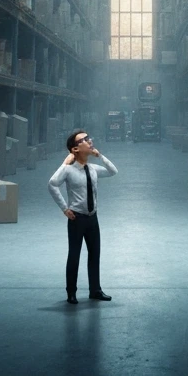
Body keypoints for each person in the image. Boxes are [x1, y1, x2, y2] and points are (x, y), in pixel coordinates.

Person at [48, 130, 117, 304]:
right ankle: (71, 292)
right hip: (77, 219)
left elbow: (112, 171)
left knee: (95, 254)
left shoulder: (92, 169)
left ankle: (95, 290)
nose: (89, 140)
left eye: (89, 138)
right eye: (84, 140)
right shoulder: (68, 170)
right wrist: (64, 208)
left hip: (93, 218)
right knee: (74, 255)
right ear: (75, 149)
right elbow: (52, 184)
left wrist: (99, 155)